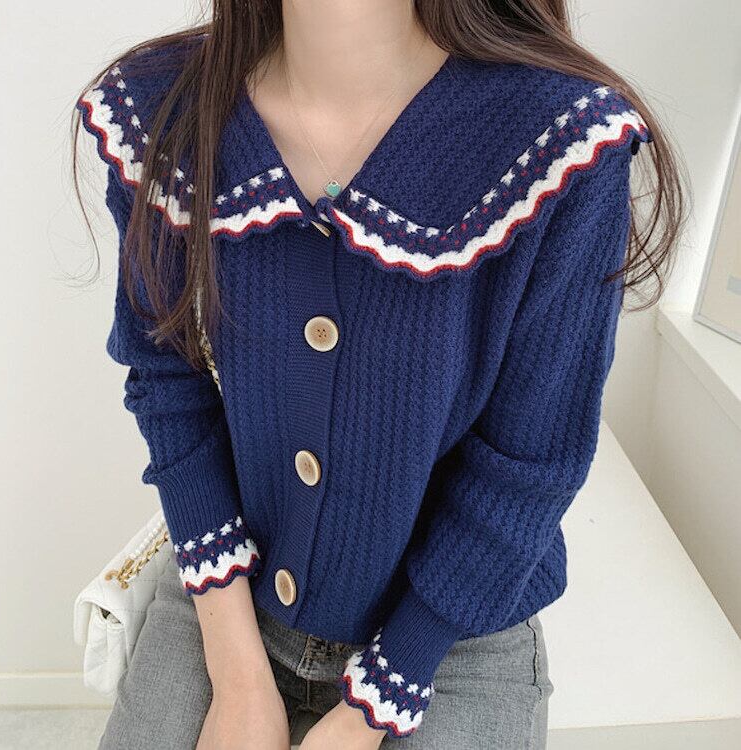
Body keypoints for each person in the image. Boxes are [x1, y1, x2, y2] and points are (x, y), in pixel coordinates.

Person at [73, 1, 684, 748]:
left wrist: (374, 707)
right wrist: (237, 677)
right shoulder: (167, 108)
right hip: (227, 593)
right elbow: (167, 384)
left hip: (452, 633)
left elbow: (530, 466)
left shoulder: (560, 141)